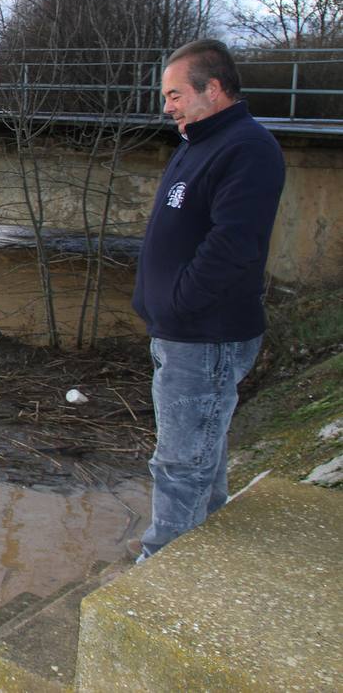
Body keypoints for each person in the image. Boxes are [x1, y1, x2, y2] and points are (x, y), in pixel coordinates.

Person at [130, 39, 285, 562]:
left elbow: (234, 245)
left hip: (205, 334)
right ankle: (205, 550)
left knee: (179, 462)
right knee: (202, 452)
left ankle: (158, 572)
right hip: (181, 331)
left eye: (175, 94)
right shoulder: (196, 143)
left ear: (212, 89)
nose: (167, 106)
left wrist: (176, 303)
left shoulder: (247, 148)